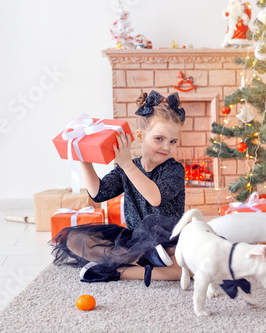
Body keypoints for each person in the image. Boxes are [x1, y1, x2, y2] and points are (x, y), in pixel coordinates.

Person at [51, 90, 186, 287]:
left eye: (173, 141)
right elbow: (99, 193)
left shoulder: (174, 169)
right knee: (73, 238)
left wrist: (127, 165)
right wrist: (84, 160)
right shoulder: (127, 167)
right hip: (136, 240)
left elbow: (155, 198)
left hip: (170, 237)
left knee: (187, 267)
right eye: (159, 139)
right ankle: (143, 259)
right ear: (140, 136)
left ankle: (120, 270)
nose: (166, 146)